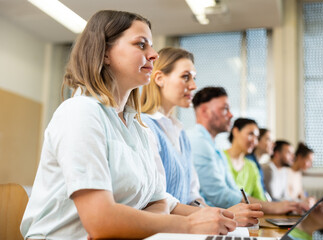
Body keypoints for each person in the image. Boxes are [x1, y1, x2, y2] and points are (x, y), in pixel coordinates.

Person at [20, 11, 238, 240]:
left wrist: (130, 220)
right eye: (141, 45)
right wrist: (191, 225)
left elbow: (159, 201)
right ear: (104, 53)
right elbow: (101, 221)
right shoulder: (80, 112)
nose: (153, 55)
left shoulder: (138, 127)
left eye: (151, 46)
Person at [140, 47, 263, 226]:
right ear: (159, 79)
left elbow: (192, 196)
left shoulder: (180, 132)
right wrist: (224, 215)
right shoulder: (145, 126)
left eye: (194, 78)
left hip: (188, 227)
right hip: (166, 229)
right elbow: (156, 199)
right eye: (185, 77)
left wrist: (215, 217)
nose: (193, 86)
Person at [188, 86, 305, 215]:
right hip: (208, 219)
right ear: (205, 111)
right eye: (225, 109)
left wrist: (274, 206)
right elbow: (218, 194)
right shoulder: (198, 142)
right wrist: (271, 207)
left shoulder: (216, 150)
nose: (231, 114)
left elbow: (234, 190)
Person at [224, 118, 266, 201]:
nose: (255, 141)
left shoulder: (252, 166)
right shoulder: (219, 158)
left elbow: (260, 199)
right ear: (235, 132)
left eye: (257, 137)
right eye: (251, 134)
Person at [246, 128, 273, 194]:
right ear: (257, 140)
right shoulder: (249, 161)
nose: (273, 143)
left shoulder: (257, 163)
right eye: (268, 139)